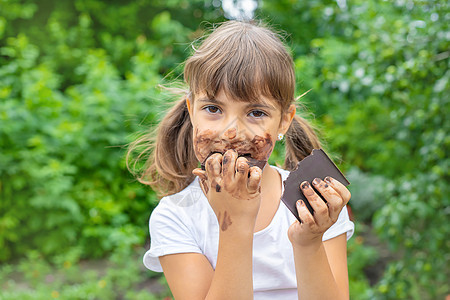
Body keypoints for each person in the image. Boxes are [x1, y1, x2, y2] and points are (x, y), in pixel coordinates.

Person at [128, 20, 354, 300]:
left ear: (284, 121)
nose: (230, 132)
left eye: (256, 113)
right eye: (213, 108)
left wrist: (308, 243)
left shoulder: (313, 202)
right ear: (191, 111)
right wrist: (233, 224)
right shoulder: (176, 216)